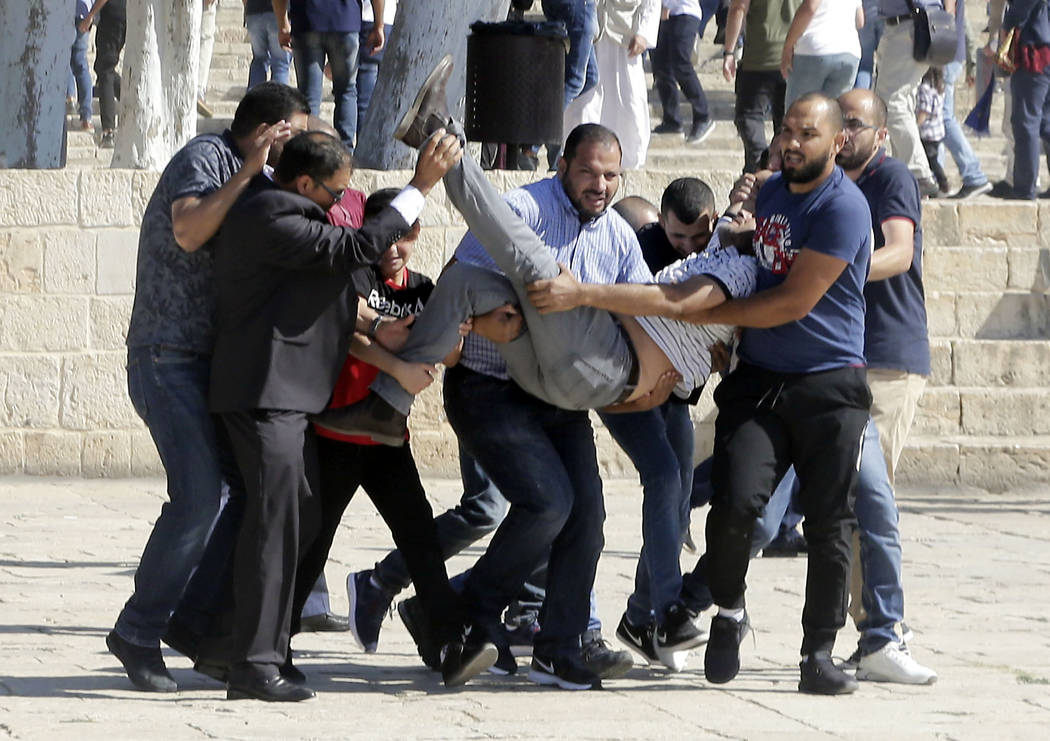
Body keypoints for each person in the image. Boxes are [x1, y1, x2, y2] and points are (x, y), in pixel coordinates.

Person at [208, 129, 488, 702]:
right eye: (338, 194)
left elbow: (351, 304)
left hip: (360, 427)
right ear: (306, 184)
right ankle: (253, 656)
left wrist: (395, 334)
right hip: (295, 407)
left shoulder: (289, 217)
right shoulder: (277, 217)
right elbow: (352, 252)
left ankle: (245, 649)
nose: (344, 206)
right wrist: (421, 184)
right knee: (288, 534)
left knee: (351, 533)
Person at [110, 83, 310, 694]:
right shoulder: (209, 157)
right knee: (200, 497)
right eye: (294, 136)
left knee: (251, 491)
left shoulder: (266, 183)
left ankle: (195, 623)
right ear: (269, 132)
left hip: (215, 366)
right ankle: (139, 632)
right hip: (167, 358)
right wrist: (250, 167)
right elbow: (190, 231)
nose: (298, 148)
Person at [691, 93, 873, 696]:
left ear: (838, 142)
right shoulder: (770, 190)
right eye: (787, 131)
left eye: (808, 134)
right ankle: (730, 612)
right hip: (760, 381)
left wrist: (713, 314)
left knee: (826, 524)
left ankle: (817, 654)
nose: (792, 142)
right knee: (735, 502)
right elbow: (750, 255)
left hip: (829, 384)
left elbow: (794, 300)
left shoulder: (844, 208)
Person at [274, 0, 385, 149]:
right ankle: (344, 150)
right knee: (346, 91)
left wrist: (282, 24)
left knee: (309, 96)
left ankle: (309, 150)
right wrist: (379, 25)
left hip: (306, 20)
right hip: (346, 21)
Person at [564, 0, 661, 169]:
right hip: (590, 35)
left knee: (630, 100)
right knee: (585, 101)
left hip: (625, 39)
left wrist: (644, 33)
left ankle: (628, 161)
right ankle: (580, 156)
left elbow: (651, 3)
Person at [874, 0, 956, 197]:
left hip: (911, 23)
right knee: (900, 101)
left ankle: (918, 172)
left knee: (891, 103)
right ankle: (905, 171)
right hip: (904, 23)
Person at [723, 0, 801, 173]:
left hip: (759, 56)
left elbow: (738, 8)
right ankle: (780, 167)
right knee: (786, 121)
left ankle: (759, 162)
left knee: (749, 116)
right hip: (795, 57)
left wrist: (729, 51)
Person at [940, 0, 993, 199]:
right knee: (937, 117)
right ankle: (938, 178)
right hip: (948, 53)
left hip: (944, 54)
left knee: (942, 117)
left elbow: (949, 15)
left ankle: (974, 175)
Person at [1001, 0, 1050, 200]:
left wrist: (1008, 24)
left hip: (1035, 48)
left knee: (1025, 121)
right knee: (1046, 121)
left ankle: (1024, 187)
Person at [652, 0, 716, 143]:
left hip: (685, 12)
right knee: (661, 68)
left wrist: (667, 5)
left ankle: (703, 116)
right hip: (665, 15)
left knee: (681, 64)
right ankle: (671, 121)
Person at [780, 0, 864, 107]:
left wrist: (788, 46)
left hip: (813, 49)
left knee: (799, 113)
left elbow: (810, 7)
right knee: (833, 115)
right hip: (849, 51)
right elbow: (860, 21)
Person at [80, 0, 125, 149]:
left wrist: (90, 15)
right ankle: (131, 96)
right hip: (120, 16)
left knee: (105, 70)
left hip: (112, 18)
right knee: (105, 69)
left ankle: (108, 131)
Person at [917, 66, 950, 194]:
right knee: (932, 159)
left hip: (927, 133)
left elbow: (924, 112)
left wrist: (915, 126)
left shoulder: (924, 89)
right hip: (937, 132)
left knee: (930, 161)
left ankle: (942, 183)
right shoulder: (939, 88)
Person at [244, 0, 292, 89]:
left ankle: (254, 100)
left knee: (259, 60)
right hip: (280, 14)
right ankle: (278, 101)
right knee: (280, 64)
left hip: (253, 13)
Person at [69, 0, 94, 132]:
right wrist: (91, 15)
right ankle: (86, 117)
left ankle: (70, 97)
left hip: (67, 14)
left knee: (64, 57)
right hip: (84, 15)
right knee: (80, 63)